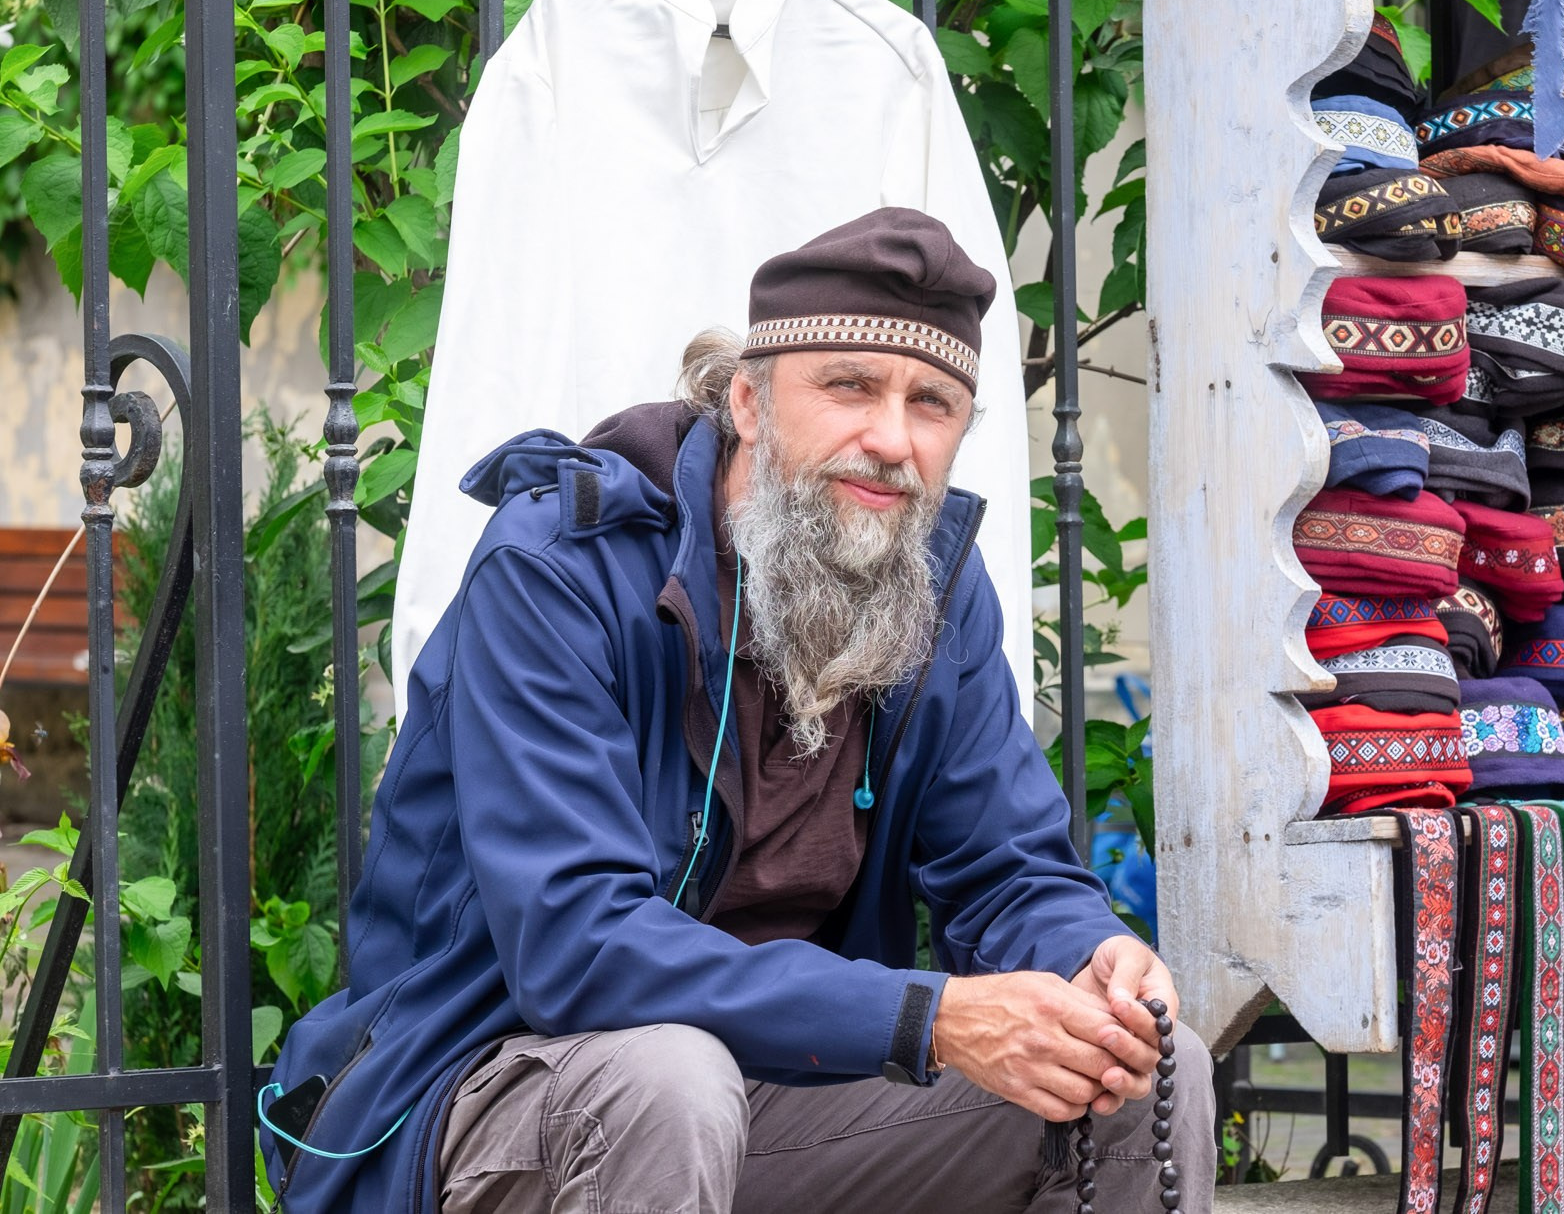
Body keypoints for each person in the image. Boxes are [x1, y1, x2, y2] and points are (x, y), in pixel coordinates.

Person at [260, 208, 1213, 1214]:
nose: (890, 438)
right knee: (670, 1079)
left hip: (775, 1098)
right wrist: (928, 1018)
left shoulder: (930, 589)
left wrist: (1086, 954)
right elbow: (576, 946)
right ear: (750, 401)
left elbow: (1005, 865)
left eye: (930, 402)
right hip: (486, 1093)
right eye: (850, 386)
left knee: (1144, 1068)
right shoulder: (561, 571)